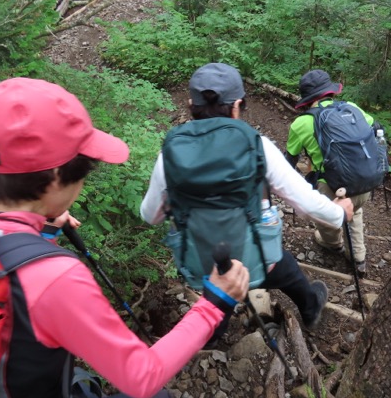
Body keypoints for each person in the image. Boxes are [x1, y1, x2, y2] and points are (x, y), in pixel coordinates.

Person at [0, 77, 250, 398]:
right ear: (56, 177)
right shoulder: (53, 278)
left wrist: (37, 222)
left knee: (85, 386)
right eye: (83, 169)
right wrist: (214, 303)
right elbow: (142, 375)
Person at [140, 63, 353, 331]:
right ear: (237, 105)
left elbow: (150, 216)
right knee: (286, 269)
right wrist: (339, 213)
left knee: (217, 298)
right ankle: (310, 310)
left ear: (190, 104)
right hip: (258, 259)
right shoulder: (257, 146)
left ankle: (209, 336)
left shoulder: (167, 157)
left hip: (203, 265)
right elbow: (306, 201)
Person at [285, 69, 377, 276]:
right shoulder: (352, 108)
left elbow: (289, 160)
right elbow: (376, 129)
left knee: (325, 216)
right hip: (365, 183)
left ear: (307, 98)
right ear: (330, 91)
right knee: (355, 210)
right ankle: (358, 257)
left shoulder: (301, 123)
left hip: (332, 189)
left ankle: (332, 243)